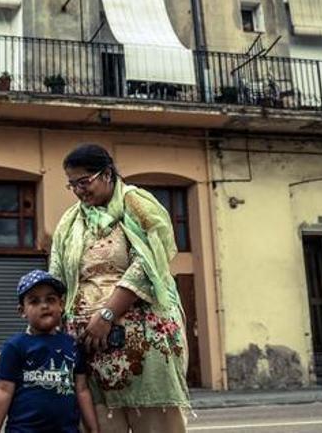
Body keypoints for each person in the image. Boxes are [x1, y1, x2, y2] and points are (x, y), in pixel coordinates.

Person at [49, 143, 190, 433]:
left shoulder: (137, 204)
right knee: (101, 424)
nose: (78, 190)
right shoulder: (70, 221)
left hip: (142, 341)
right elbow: (58, 272)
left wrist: (107, 315)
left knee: (153, 422)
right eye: (72, 184)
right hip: (90, 345)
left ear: (108, 174)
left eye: (84, 181)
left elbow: (148, 264)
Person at [0, 270, 100, 433]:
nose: (44, 305)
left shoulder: (73, 345)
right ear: (22, 311)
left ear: (61, 305)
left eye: (50, 299)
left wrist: (94, 429)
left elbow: (81, 390)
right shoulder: (15, 346)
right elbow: (2, 390)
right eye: (34, 301)